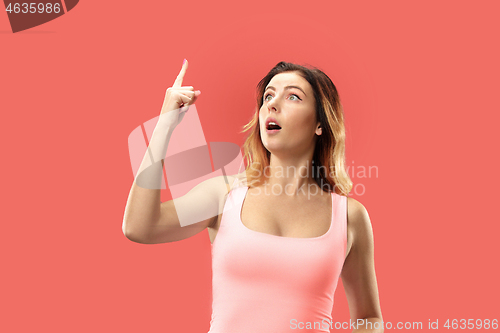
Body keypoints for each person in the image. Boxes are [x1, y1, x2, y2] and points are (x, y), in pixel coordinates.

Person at [122, 59, 384, 332]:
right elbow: (140, 226)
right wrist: (165, 125)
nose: (272, 104)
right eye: (268, 96)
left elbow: (369, 318)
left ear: (320, 123)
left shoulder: (349, 216)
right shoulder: (224, 196)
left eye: (293, 96)